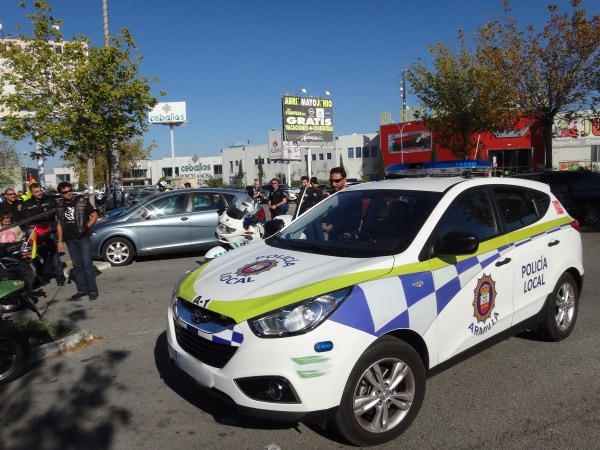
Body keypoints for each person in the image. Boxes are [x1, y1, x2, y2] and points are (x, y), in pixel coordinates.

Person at [56, 182, 100, 300]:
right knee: (77, 265)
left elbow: (95, 216)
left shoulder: (82, 201)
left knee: (87, 265)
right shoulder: (60, 206)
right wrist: (60, 242)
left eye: (70, 190)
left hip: (83, 238)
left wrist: (86, 227)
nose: (68, 193)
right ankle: (82, 289)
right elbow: (59, 224)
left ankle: (92, 291)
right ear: (61, 193)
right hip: (70, 240)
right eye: (65, 192)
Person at [23, 182, 66, 286]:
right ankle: (40, 276)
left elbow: (52, 214)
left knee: (54, 254)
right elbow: (27, 217)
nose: (39, 193)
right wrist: (40, 215)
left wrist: (40, 216)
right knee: (38, 256)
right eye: (36, 191)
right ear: (32, 193)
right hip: (36, 232)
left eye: (40, 190)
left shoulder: (50, 200)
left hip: (50, 231)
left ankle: (59, 276)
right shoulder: (27, 203)